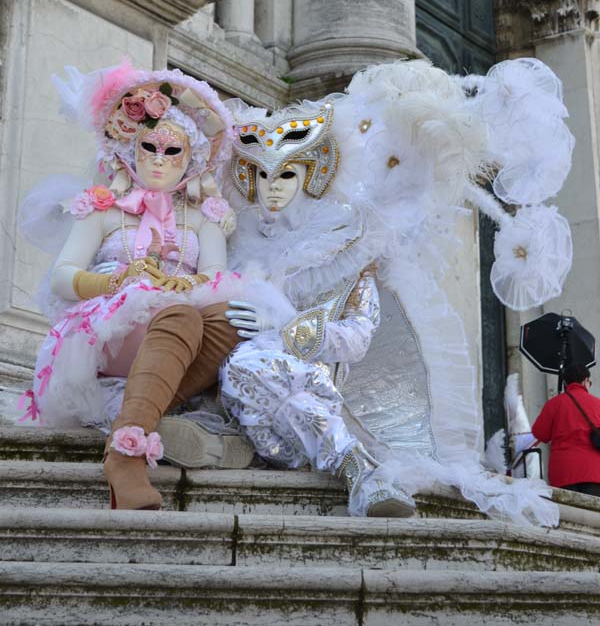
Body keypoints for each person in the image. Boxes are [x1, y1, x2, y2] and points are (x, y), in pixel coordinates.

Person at [219, 58, 573, 526]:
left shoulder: (356, 252)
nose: (273, 189)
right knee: (237, 369)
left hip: (316, 386)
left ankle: (358, 468)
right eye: (262, 175)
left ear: (311, 175)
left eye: (286, 175)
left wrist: (286, 326)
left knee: (251, 366)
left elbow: (356, 336)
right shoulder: (241, 243)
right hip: (243, 385)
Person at [19, 61, 259, 510]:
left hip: (180, 329)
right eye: (149, 147)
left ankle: (136, 420)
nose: (159, 159)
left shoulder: (203, 217)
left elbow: (219, 280)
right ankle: (127, 457)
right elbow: (62, 276)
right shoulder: (103, 209)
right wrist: (120, 279)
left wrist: (180, 284)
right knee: (182, 316)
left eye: (173, 151)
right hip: (111, 330)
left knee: (231, 317)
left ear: (192, 158)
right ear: (130, 147)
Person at [532, 363, 600, 497]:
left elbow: (540, 433)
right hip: (594, 473)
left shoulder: (554, 404)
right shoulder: (598, 404)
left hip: (563, 472)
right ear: (586, 380)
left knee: (567, 510)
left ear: (565, 382)